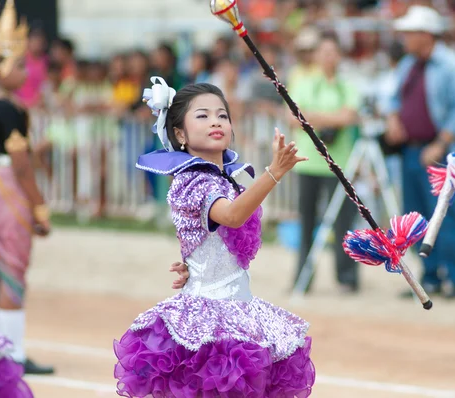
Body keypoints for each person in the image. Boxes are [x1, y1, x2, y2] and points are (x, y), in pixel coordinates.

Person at [113, 78, 315, 397]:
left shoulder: (224, 181)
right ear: (179, 133)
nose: (216, 122)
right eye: (202, 116)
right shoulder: (193, 182)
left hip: (239, 309)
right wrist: (273, 173)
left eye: (222, 115)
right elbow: (233, 216)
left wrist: (193, 262)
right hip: (207, 318)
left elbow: (213, 237)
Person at [387, 5, 455, 299]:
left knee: (444, 215)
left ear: (426, 35)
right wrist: (394, 119)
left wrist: (440, 142)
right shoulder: (407, 65)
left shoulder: (451, 65)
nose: (405, 38)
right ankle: (431, 275)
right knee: (416, 217)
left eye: (410, 33)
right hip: (411, 150)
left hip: (440, 150)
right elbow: (392, 97)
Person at [0, 0, 55, 375]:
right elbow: (20, 165)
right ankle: (11, 354)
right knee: (12, 270)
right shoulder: (8, 108)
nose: (24, 72)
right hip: (6, 192)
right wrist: (39, 205)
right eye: (19, 65)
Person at [288, 32, 361, 295]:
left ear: (339, 55)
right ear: (317, 55)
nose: (328, 57)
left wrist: (315, 117)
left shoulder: (346, 85)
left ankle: (347, 277)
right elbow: (294, 117)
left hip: (338, 163)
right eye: (324, 52)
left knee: (344, 222)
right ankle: (303, 277)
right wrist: (333, 118)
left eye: (333, 52)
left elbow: (350, 116)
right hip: (307, 161)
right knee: (306, 222)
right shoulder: (304, 82)